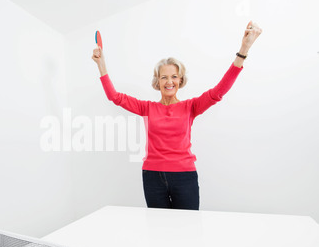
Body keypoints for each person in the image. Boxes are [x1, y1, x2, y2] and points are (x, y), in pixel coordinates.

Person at [92, 21, 262, 210]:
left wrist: (244, 49)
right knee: (159, 230)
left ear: (180, 80)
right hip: (152, 176)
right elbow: (114, 97)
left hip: (184, 177)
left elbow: (218, 92)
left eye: (174, 76)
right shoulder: (147, 108)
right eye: (164, 77)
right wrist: (101, 64)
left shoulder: (191, 107)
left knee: (188, 230)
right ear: (157, 81)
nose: (169, 81)